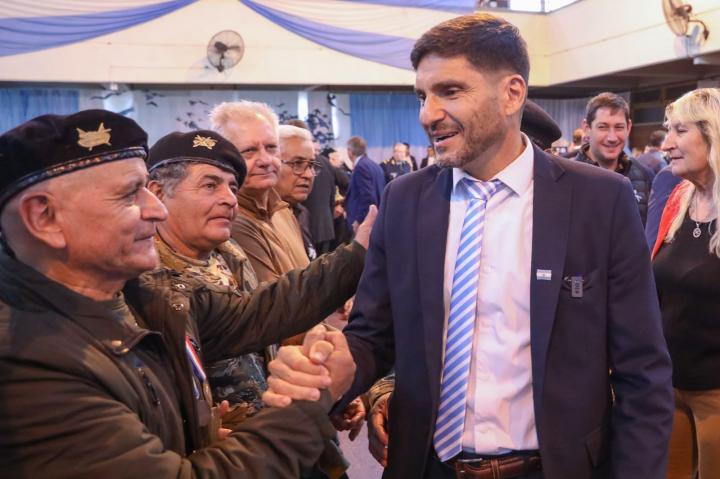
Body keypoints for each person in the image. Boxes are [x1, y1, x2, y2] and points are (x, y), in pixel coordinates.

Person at [266, 12, 673, 479]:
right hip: (428, 467)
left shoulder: (598, 200)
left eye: (450, 91)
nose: (428, 114)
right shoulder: (405, 200)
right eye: (422, 96)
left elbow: (643, 371)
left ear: (512, 94)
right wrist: (339, 366)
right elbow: (374, 335)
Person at [0, 110, 364, 478]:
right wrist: (310, 403)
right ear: (43, 218)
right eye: (129, 194)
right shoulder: (31, 367)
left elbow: (259, 312)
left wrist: (361, 253)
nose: (157, 209)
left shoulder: (144, 295)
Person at [651, 87, 720, 479]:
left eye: (679, 131)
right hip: (669, 388)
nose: (667, 144)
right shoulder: (679, 199)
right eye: (667, 131)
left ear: (712, 135)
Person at [209, 101, 308, 283]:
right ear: (224, 159)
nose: (265, 160)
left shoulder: (282, 210)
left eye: (271, 147)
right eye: (249, 151)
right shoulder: (229, 222)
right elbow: (275, 298)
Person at [574, 92, 654, 225]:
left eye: (619, 127)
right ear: (587, 128)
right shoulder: (568, 176)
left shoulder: (644, 175)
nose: (612, 137)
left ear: (628, 128)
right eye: (603, 127)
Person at [344, 135, 385, 231]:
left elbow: (367, 197)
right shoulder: (375, 165)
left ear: (350, 151)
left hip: (364, 222)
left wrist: (359, 220)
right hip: (377, 219)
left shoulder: (360, 167)